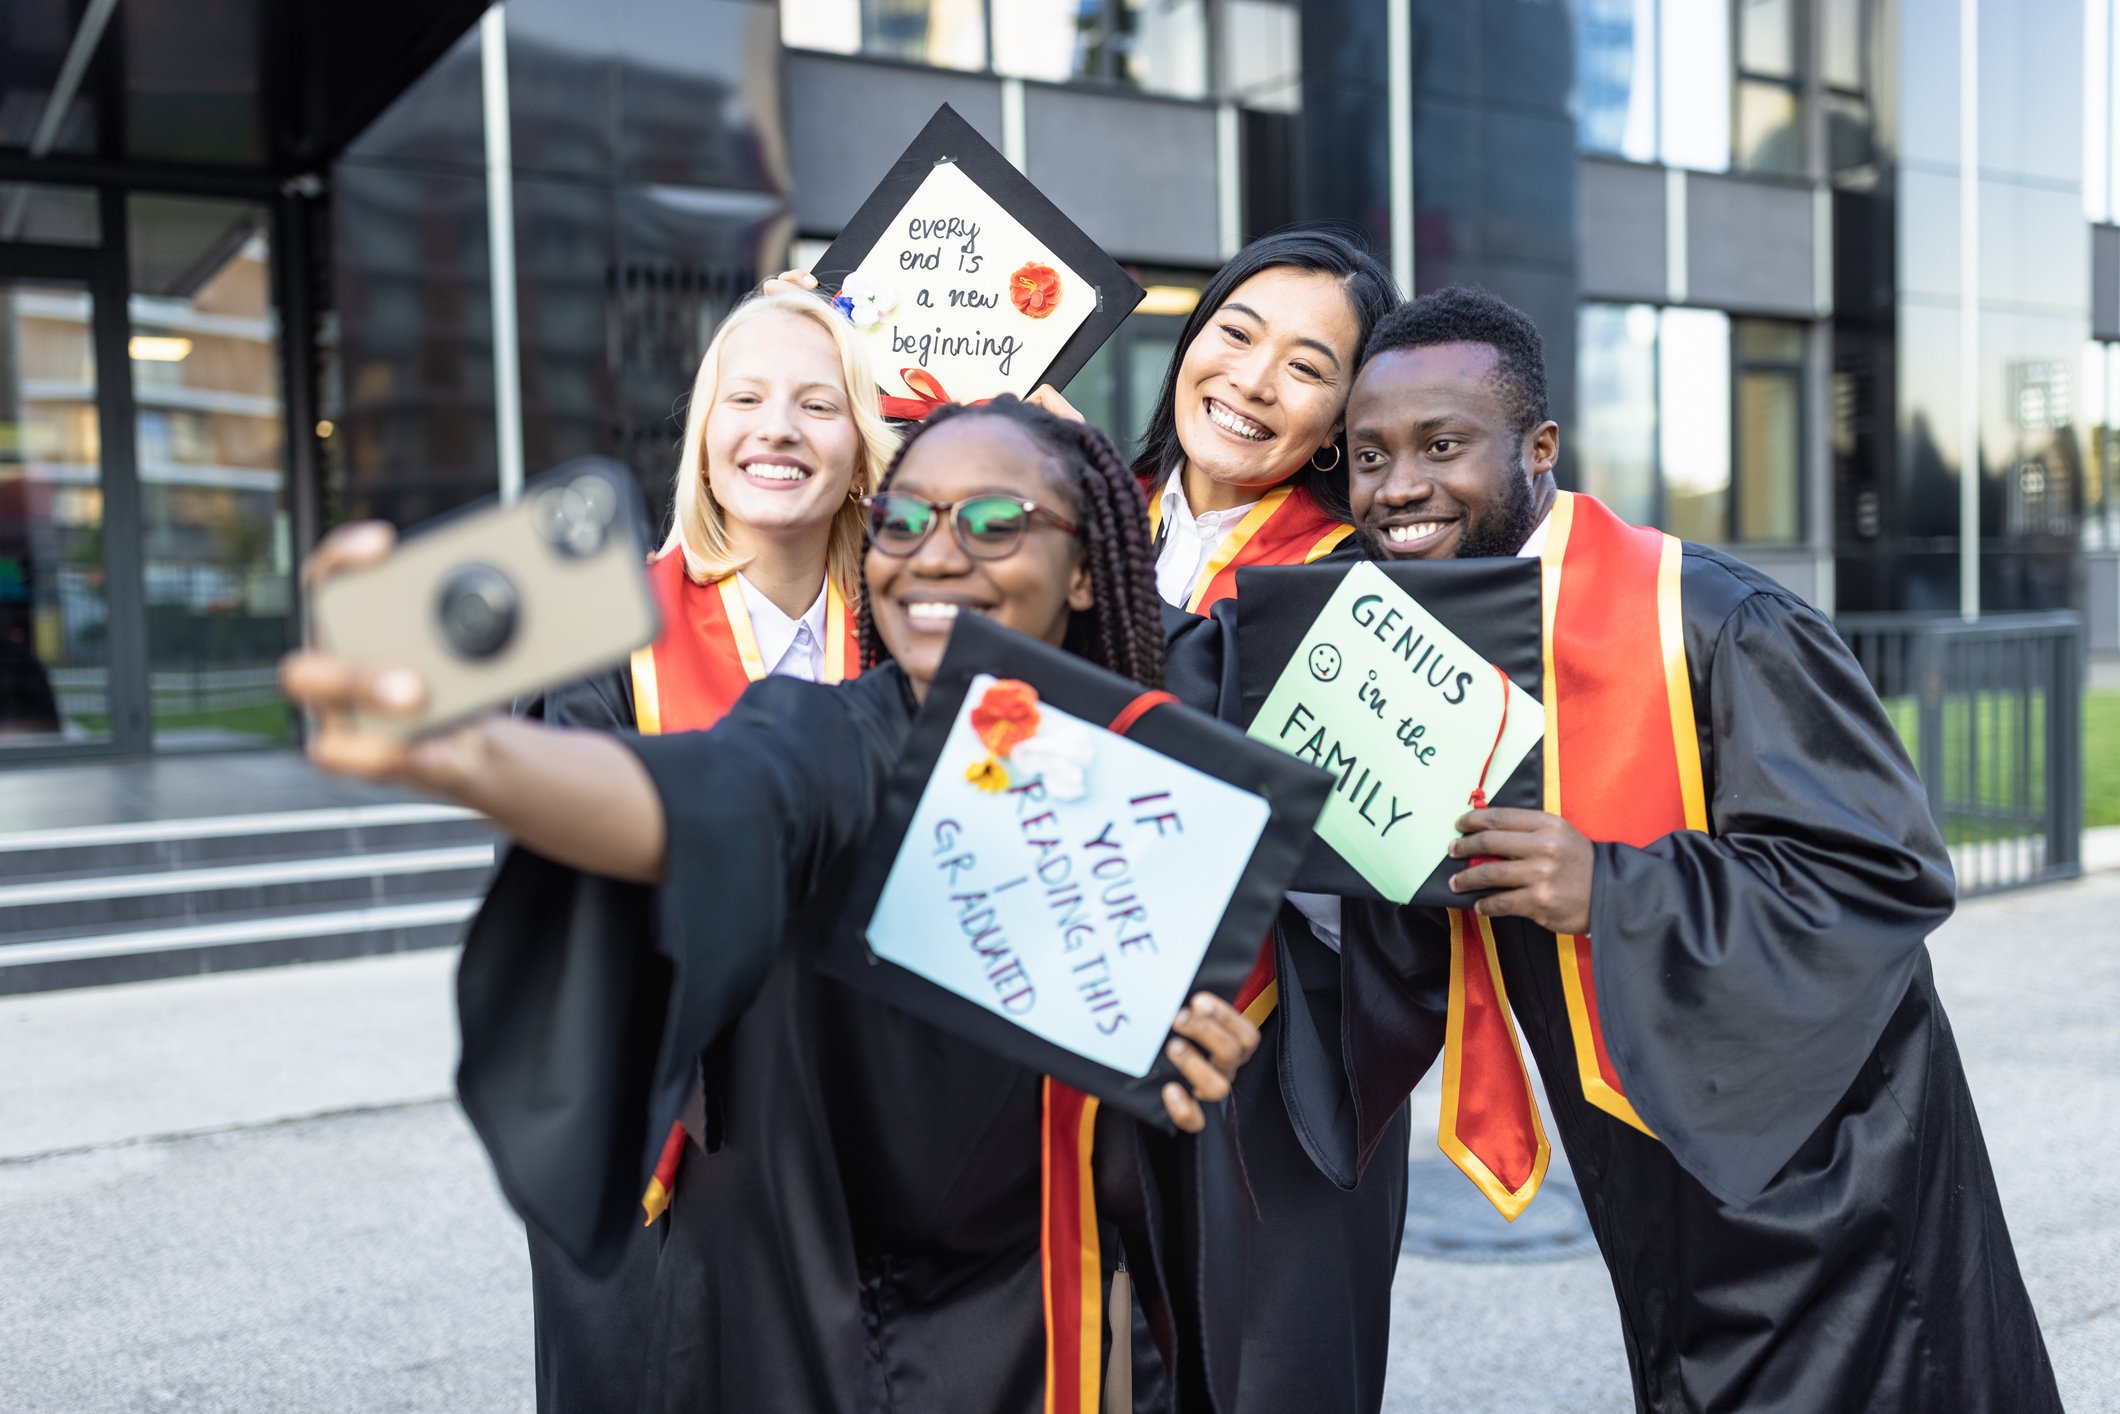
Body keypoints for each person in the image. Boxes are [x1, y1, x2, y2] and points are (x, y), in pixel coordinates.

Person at [280, 398, 1264, 1414]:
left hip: (1039, 1319)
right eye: (902, 521)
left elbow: (1135, 1169)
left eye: (990, 522)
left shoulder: (1144, 792)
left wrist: (1176, 1066)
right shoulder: (834, 738)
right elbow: (704, 792)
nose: (933, 555)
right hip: (810, 1317)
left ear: (1086, 568)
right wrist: (474, 754)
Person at [1332, 285, 2059, 1412]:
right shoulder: (1421, 644)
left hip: (1829, 1176)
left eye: (1441, 444)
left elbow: (1883, 872)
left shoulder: (1715, 620)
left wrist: (1609, 886)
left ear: (1538, 448)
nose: (1397, 486)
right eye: (1368, 455)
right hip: (1648, 1166)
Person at [517, 287, 897, 1413]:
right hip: (662, 1128)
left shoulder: (904, 638)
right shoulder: (606, 629)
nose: (777, 428)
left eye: (817, 404)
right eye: (746, 398)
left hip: (853, 1130)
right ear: (703, 435)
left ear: (862, 447)